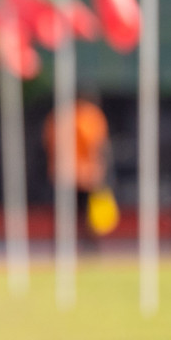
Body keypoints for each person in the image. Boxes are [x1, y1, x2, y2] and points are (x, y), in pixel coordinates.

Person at [43, 95, 110, 241]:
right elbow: (97, 144)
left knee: (73, 212)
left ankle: (73, 243)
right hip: (83, 172)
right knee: (82, 212)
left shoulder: (61, 116)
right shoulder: (89, 116)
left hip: (68, 171)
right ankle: (87, 244)